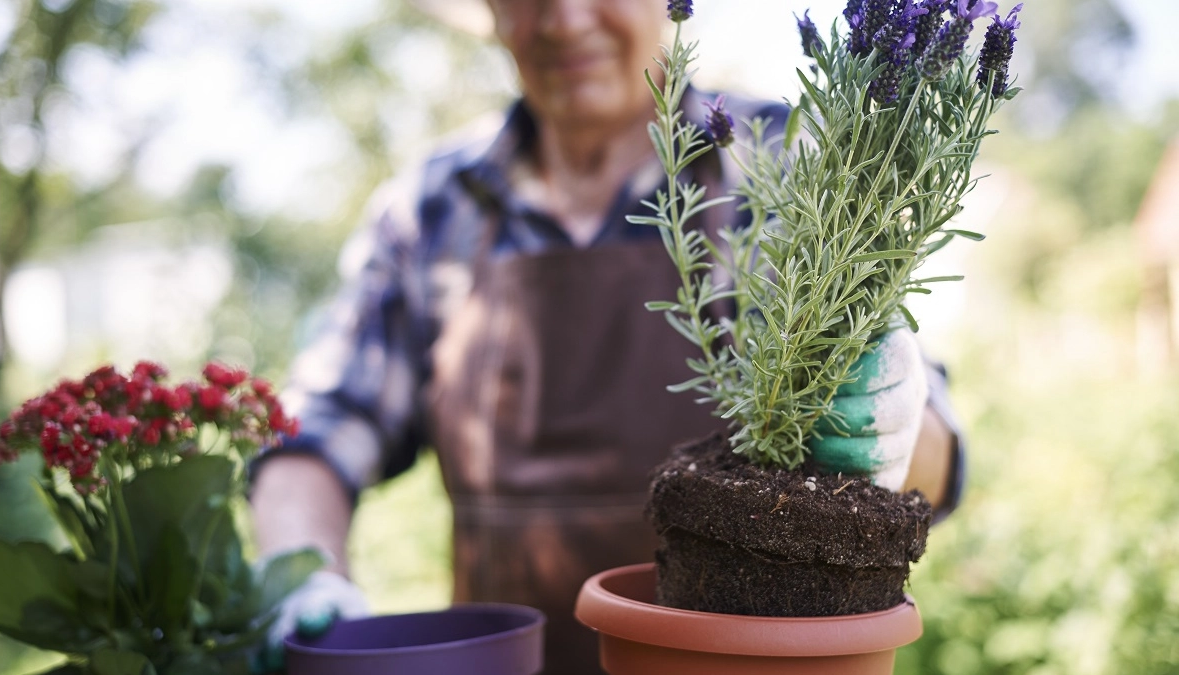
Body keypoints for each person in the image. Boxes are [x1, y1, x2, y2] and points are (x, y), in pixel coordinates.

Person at [249, 1, 965, 673]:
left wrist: (889, 424)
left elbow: (935, 456)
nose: (564, 20)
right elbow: (320, 423)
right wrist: (302, 575)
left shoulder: (790, 163)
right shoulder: (435, 205)